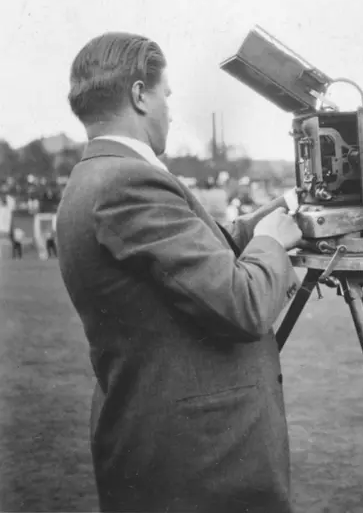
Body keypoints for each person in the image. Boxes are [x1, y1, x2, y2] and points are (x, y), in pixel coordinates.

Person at [56, 32, 302, 513]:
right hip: (199, 462)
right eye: (165, 95)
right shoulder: (127, 181)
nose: (170, 110)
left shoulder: (98, 175)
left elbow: (199, 253)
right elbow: (242, 303)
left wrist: (288, 207)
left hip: (166, 445)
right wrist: (272, 244)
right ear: (139, 95)